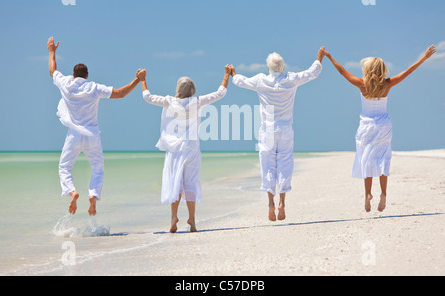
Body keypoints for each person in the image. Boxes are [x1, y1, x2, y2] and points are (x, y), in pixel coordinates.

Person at [323, 45, 437, 212]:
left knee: (367, 159)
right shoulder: (387, 84)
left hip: (367, 126)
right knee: (383, 158)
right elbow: (407, 72)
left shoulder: (361, 84)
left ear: (367, 70)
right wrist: (424, 58)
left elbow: (342, 71)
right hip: (383, 125)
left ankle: (368, 194)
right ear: (382, 70)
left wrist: (329, 57)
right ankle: (383, 193)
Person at [47, 37, 144, 216]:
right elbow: (121, 94)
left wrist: (52, 52)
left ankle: (72, 191)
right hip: (92, 134)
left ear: (74, 75)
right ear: (87, 75)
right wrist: (137, 80)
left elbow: (53, 71)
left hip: (74, 134)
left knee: (64, 167)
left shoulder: (67, 84)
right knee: (97, 169)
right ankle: (93, 196)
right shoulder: (94, 87)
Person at [230, 48, 325, 221]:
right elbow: (313, 73)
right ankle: (282, 203)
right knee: (285, 164)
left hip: (267, 131)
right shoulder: (291, 79)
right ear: (283, 67)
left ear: (268, 67)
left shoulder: (260, 80)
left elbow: (240, 81)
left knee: (267, 166)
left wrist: (232, 73)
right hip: (285, 130)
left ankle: (270, 204)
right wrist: (320, 56)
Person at [139, 65, 231, 233]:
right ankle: (192, 220)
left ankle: (174, 218)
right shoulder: (197, 102)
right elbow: (220, 93)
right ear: (192, 90)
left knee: (175, 182)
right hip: (191, 148)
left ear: (178, 89)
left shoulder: (168, 102)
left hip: (174, 149)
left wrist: (143, 80)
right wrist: (226, 75)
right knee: (190, 182)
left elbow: (147, 97)